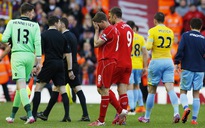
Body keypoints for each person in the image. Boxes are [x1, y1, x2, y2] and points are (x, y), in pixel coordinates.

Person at [37, 17, 90, 122]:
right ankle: (85, 114)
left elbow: (66, 54)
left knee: (57, 89)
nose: (58, 25)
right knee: (77, 89)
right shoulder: (73, 36)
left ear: (63, 25)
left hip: (66, 67)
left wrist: (60, 62)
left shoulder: (64, 36)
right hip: (74, 65)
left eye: (60, 23)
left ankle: (48, 114)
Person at [20, 16, 71, 122]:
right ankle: (67, 116)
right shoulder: (62, 36)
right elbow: (67, 54)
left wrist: (35, 66)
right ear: (56, 23)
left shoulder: (43, 35)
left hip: (49, 63)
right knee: (62, 89)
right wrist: (69, 68)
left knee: (38, 88)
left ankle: (33, 115)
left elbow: (38, 52)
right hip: (60, 64)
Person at [0, 3, 42, 124]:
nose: (33, 14)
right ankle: (12, 116)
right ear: (28, 12)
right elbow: (38, 44)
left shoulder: (12, 23)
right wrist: (38, 62)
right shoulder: (35, 25)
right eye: (33, 12)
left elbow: (4, 39)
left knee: (21, 85)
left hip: (17, 55)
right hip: (30, 56)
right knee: (20, 88)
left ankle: (29, 115)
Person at [138, 12, 180, 123]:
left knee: (151, 90)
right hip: (168, 61)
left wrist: (146, 41)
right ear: (164, 20)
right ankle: (176, 112)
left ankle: (147, 117)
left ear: (155, 20)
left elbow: (148, 47)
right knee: (170, 88)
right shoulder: (170, 32)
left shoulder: (152, 31)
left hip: (156, 61)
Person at [88, 11, 127, 126]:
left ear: (102, 22)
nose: (97, 27)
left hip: (106, 61)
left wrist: (96, 31)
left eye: (98, 24)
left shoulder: (109, 29)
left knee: (104, 90)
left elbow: (96, 44)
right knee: (101, 89)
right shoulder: (114, 29)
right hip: (109, 61)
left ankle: (101, 120)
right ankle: (121, 111)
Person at [174, 18, 205, 125]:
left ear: (190, 26)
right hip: (200, 69)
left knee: (183, 90)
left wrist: (177, 61)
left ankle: (186, 108)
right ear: (200, 27)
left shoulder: (186, 36)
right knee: (196, 93)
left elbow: (181, 49)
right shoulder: (203, 39)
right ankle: (194, 119)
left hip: (187, 67)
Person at [108, 7, 133, 124]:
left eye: (109, 16)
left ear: (114, 16)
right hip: (128, 63)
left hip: (118, 62)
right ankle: (122, 120)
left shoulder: (115, 28)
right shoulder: (129, 28)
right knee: (122, 90)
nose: (108, 18)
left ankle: (120, 112)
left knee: (103, 88)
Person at [126, 21, 148, 115]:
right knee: (137, 86)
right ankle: (141, 106)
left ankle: (131, 108)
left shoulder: (126, 37)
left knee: (129, 86)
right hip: (139, 65)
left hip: (129, 64)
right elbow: (145, 53)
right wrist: (145, 66)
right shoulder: (141, 38)